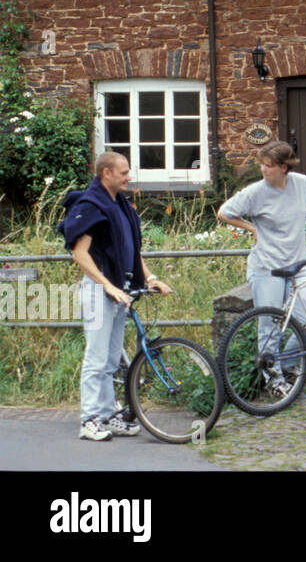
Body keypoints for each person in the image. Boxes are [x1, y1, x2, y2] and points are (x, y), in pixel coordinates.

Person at [216, 141, 306, 398]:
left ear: (284, 168)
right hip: (267, 270)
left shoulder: (300, 182)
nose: (263, 169)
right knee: (270, 327)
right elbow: (224, 212)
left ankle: (287, 365)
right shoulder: (255, 193)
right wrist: (253, 229)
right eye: (262, 164)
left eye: (269, 165)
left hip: (297, 267)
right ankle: (272, 378)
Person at [62, 152, 173, 441]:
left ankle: (108, 415)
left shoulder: (120, 205)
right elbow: (80, 255)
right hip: (100, 291)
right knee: (96, 359)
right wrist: (108, 286)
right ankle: (89, 420)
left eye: (128, 171)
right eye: (123, 172)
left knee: (112, 359)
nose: (129, 176)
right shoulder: (91, 206)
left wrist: (150, 278)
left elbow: (132, 251)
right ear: (106, 174)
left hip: (118, 292)